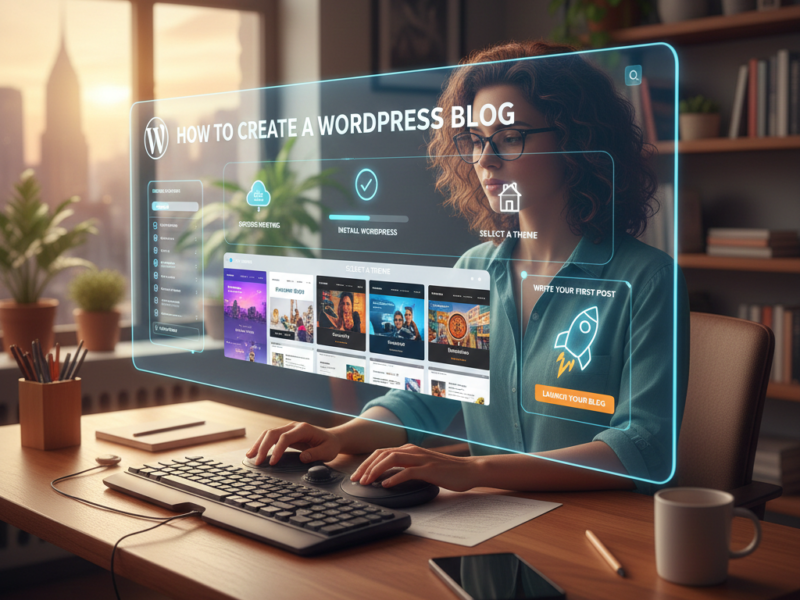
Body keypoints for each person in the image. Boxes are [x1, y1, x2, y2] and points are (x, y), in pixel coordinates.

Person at [247, 40, 689, 495]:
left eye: (511, 137)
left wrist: (475, 472)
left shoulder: (649, 281)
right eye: (476, 140)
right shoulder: (472, 270)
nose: (485, 159)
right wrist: (337, 437)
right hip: (491, 525)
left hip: (592, 534)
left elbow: (640, 448)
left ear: (576, 139)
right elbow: (420, 400)